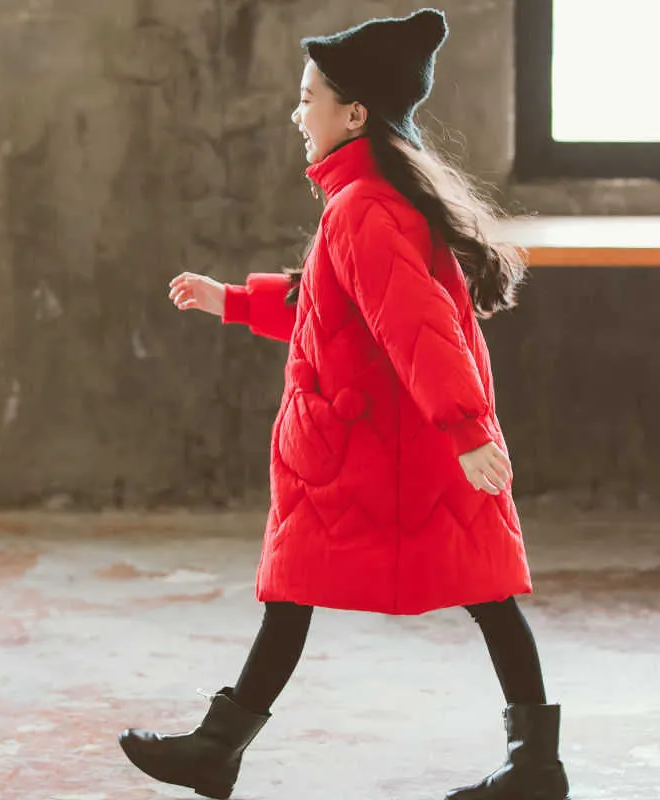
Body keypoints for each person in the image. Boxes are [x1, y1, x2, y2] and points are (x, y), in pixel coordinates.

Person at [118, 9, 570, 800]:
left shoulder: (362, 207)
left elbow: (417, 324)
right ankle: (534, 761)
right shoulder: (368, 199)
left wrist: (465, 430)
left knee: (313, 588)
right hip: (388, 442)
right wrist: (232, 301)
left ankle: (218, 749)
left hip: (374, 447)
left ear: (354, 113)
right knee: (462, 595)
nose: (299, 114)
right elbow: (334, 312)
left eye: (309, 98)